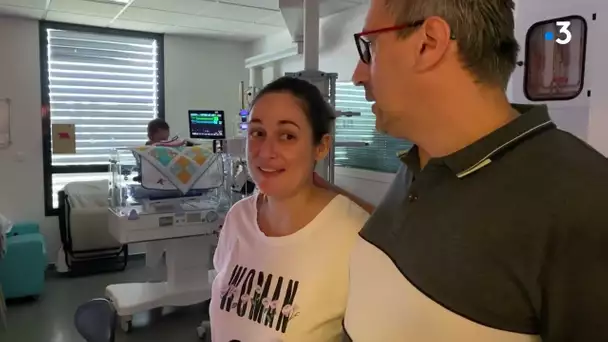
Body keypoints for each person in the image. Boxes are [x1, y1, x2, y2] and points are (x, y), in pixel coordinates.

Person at [313, 1, 608, 341]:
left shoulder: (585, 202)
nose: (358, 75)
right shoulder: (419, 162)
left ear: (430, 43)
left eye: (371, 47)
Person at [209, 77, 370, 341]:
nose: (266, 151)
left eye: (287, 136)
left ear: (321, 147)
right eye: (257, 133)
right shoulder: (238, 218)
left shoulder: (354, 234)